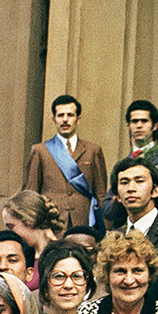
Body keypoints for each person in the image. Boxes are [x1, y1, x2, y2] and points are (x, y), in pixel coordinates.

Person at [24, 94, 108, 230]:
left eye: (70, 115)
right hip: (52, 222)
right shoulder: (40, 151)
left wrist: (106, 227)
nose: (65, 120)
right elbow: (31, 193)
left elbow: (100, 193)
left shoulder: (93, 151)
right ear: (53, 120)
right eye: (60, 115)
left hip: (84, 222)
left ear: (78, 119)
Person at [106, 156, 158, 304]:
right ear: (117, 195)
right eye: (124, 182)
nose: (131, 188)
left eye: (139, 181)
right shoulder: (116, 237)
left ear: (155, 191)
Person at [2, 191, 63, 288]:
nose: (10, 233)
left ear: (29, 220)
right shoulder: (23, 255)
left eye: (11, 226)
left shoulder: (63, 255)